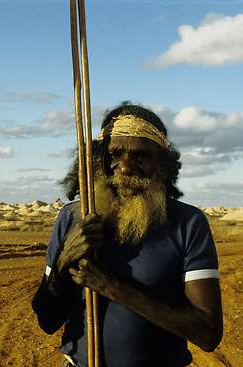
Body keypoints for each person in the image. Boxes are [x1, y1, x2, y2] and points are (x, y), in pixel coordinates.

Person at [32, 103, 223, 367]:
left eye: (140, 156)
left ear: (162, 167)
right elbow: (47, 321)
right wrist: (65, 260)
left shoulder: (188, 223)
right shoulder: (73, 217)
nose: (124, 166)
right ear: (99, 161)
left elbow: (208, 333)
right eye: (115, 154)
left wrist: (112, 288)